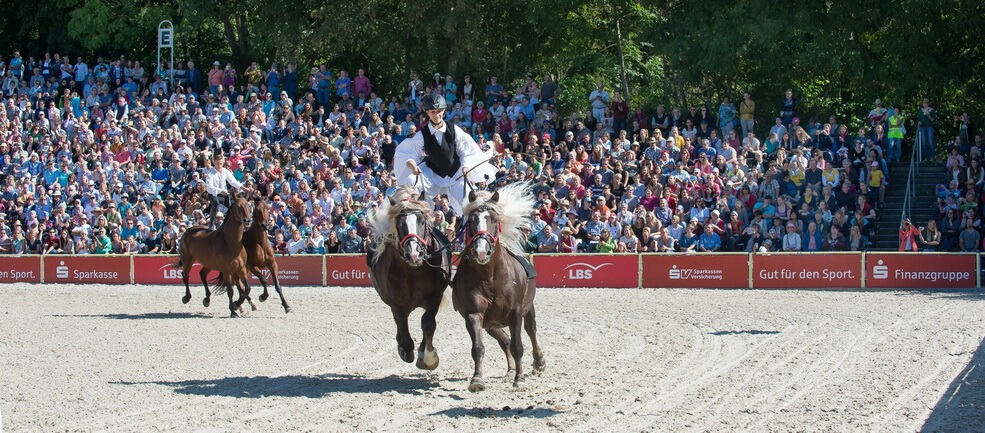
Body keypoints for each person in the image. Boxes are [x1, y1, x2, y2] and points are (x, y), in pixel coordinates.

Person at [393, 92, 496, 216]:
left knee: (469, 200)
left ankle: (470, 227)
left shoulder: (454, 130)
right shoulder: (422, 134)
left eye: (438, 111)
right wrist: (413, 165)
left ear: (443, 111)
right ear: (427, 113)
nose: (436, 115)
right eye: (432, 112)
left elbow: (466, 151)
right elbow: (409, 154)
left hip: (455, 173)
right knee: (411, 180)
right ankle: (413, 218)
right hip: (432, 173)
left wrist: (465, 166)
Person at [203, 152, 245, 228]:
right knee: (215, 202)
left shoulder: (225, 171)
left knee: (233, 205)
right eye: (217, 163)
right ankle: (211, 224)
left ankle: (236, 223)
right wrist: (220, 191)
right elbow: (209, 187)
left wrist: (243, 187)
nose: (219, 165)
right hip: (213, 194)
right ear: (214, 162)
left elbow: (233, 181)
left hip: (224, 194)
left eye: (221, 164)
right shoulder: (210, 173)